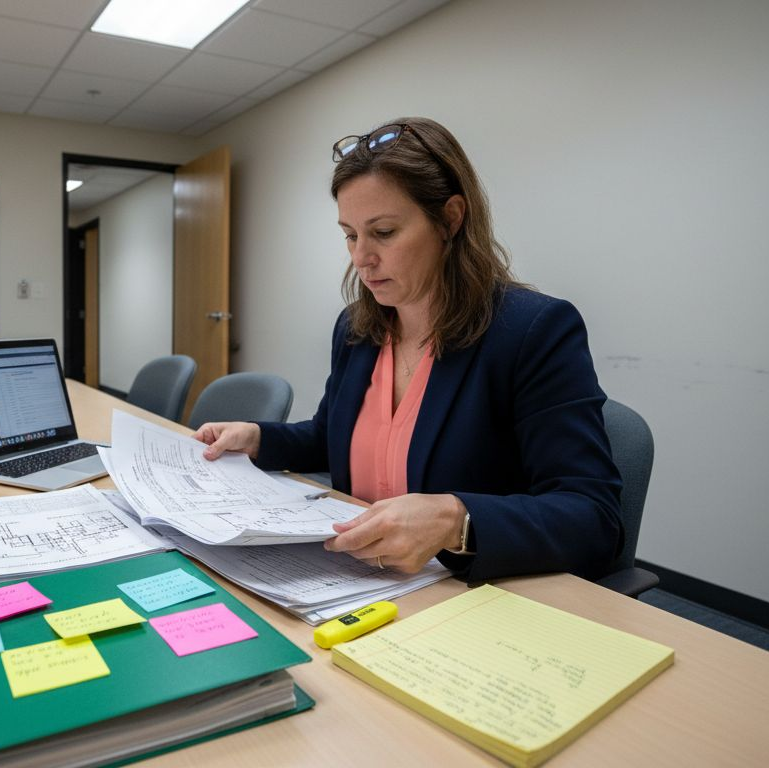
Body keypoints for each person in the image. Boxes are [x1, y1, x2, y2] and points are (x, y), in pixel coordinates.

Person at [193, 118, 622, 583]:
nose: (361, 258)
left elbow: (593, 517)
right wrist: (259, 438)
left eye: (383, 232)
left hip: (471, 593)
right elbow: (331, 436)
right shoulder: (357, 328)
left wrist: (456, 520)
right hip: (355, 581)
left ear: (450, 219)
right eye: (350, 235)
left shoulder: (531, 331)